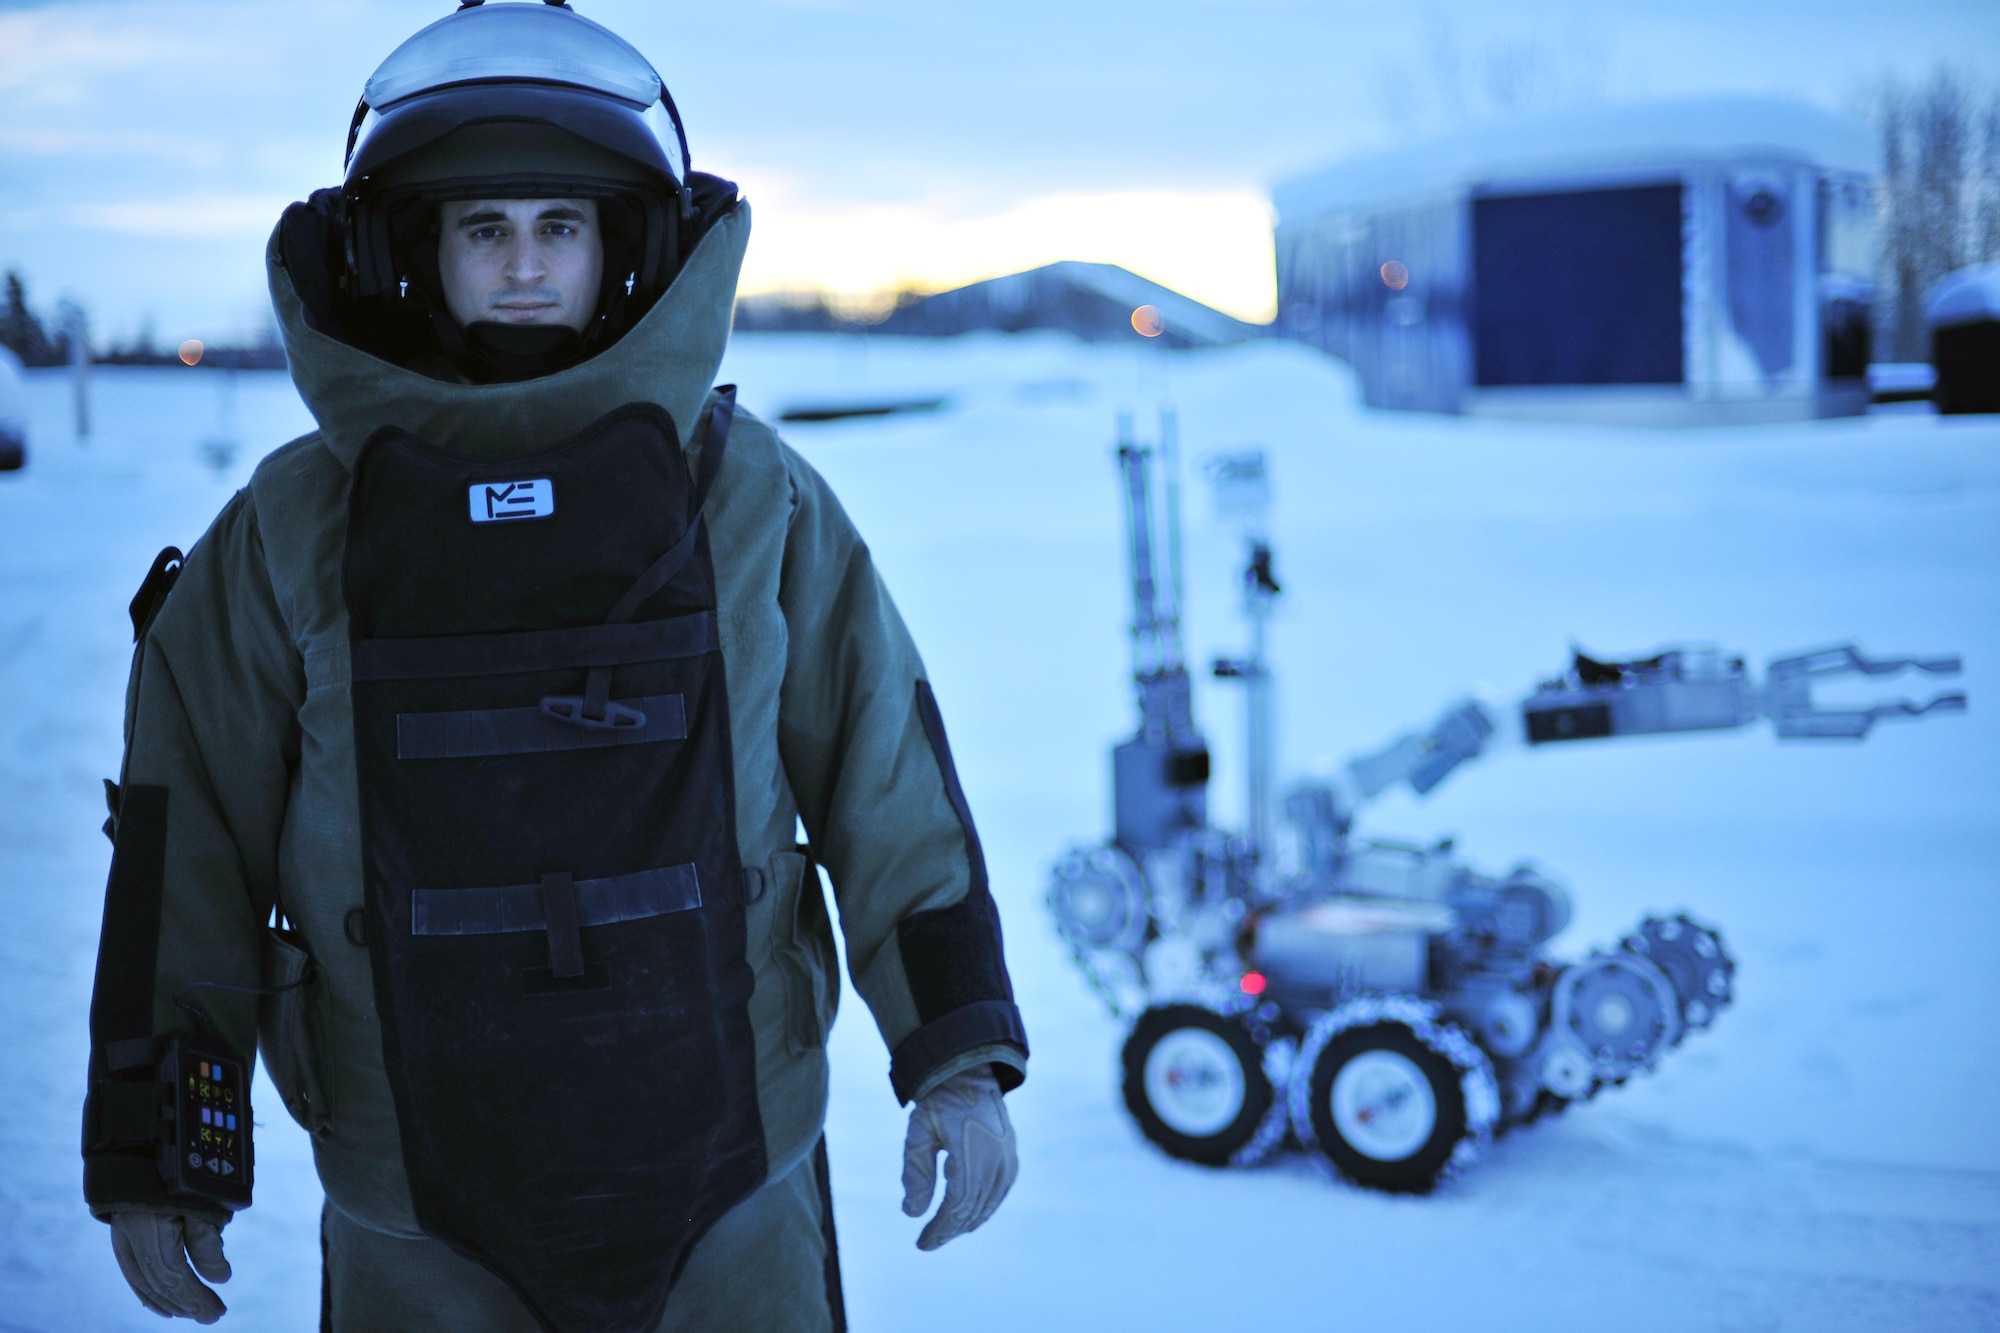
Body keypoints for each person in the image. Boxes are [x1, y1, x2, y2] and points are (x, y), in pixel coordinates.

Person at [78, 4, 1027, 1330]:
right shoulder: (293, 528)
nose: (524, 266)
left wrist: (958, 1055)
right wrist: (158, 1152)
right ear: (412, 250)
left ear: (624, 246)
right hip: (414, 1211)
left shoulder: (749, 498)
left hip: (733, 1192)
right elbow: (190, 846)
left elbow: (884, 770)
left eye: (559, 227)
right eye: (485, 230)